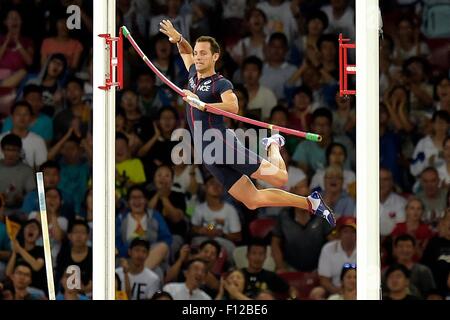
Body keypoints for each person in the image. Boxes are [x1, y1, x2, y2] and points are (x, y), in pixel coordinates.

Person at [159, 20, 336, 227]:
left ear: (215, 57)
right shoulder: (192, 76)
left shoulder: (220, 83)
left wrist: (200, 104)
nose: (198, 57)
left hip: (220, 144)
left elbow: (233, 107)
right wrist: (178, 38)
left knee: (279, 178)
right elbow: (186, 51)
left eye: (203, 54)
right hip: (206, 153)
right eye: (197, 53)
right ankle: (309, 203)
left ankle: (273, 144)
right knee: (252, 200)